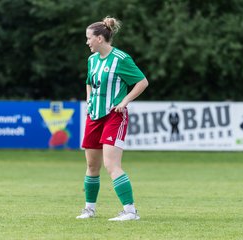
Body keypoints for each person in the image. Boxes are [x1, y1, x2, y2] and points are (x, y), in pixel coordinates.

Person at [76, 16, 149, 221]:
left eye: (89, 38)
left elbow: (142, 82)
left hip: (113, 116)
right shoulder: (92, 60)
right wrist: (89, 100)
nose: (87, 42)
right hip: (94, 116)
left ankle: (130, 211)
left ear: (100, 38)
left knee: (111, 164)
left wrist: (124, 102)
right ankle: (89, 209)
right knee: (91, 166)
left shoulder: (121, 59)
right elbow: (89, 82)